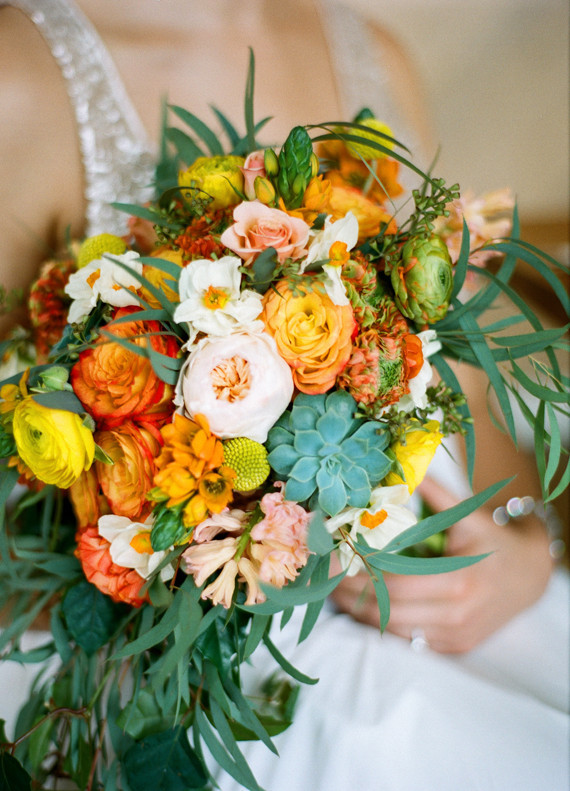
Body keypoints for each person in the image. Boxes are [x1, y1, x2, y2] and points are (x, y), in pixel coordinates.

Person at [0, 1, 567, 788]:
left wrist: (524, 551)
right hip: (199, 659)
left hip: (430, 569)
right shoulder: (20, 74)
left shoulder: (374, 53)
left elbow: (455, 368)